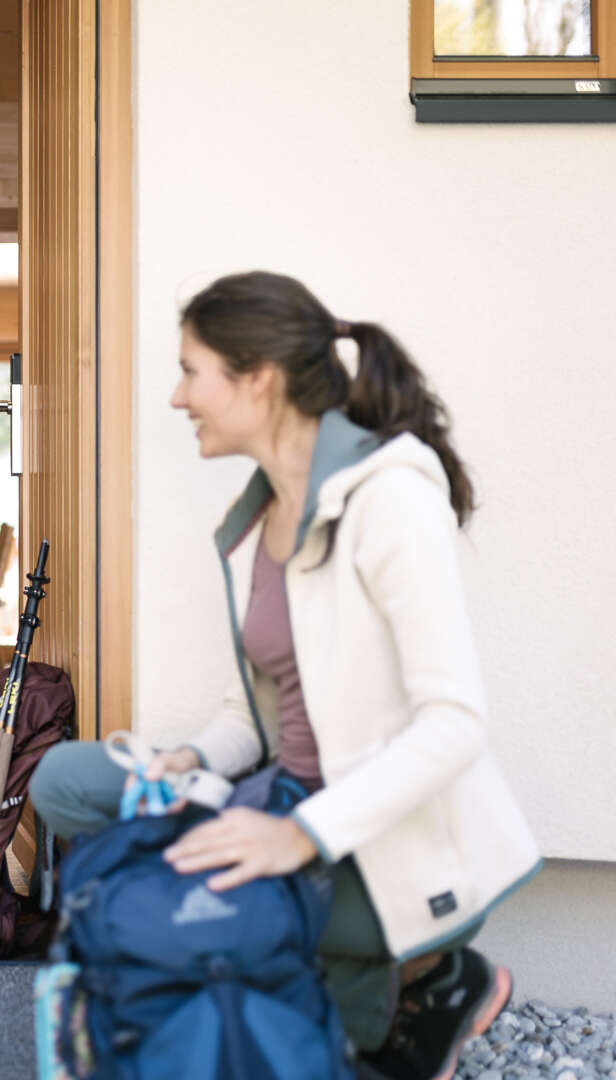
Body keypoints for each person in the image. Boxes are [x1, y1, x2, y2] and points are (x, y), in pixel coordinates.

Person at [30, 272, 541, 1080]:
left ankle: (424, 977)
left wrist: (294, 836)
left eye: (191, 371)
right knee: (64, 780)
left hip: (367, 831)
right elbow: (258, 707)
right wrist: (192, 764)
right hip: (284, 790)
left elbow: (455, 723)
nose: (177, 397)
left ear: (256, 378)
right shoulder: (260, 514)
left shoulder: (388, 500)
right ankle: (323, 967)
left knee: (189, 917)